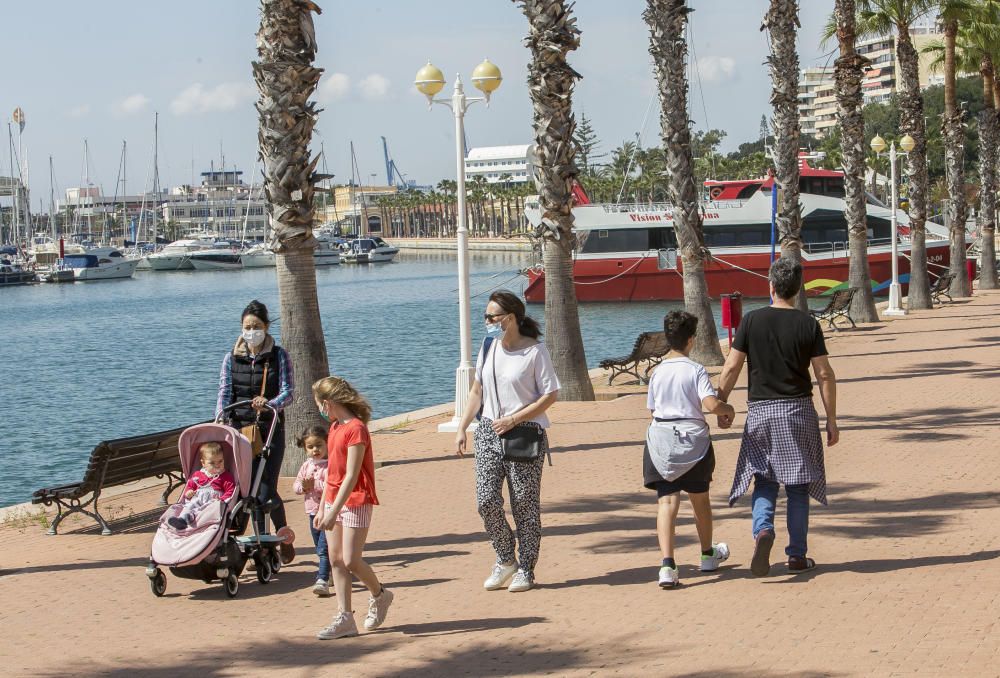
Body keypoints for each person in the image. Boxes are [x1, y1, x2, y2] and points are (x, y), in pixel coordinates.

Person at [717, 257, 839, 576]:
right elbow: (824, 374)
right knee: (798, 486)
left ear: (770, 286)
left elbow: (731, 367)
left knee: (764, 480)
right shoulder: (808, 324)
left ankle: (763, 530)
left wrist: (721, 403)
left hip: (761, 412)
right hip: (798, 410)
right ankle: (797, 555)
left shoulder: (752, 321)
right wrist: (832, 418)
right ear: (797, 290)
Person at [454, 290, 560, 593]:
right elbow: (477, 390)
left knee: (524, 504)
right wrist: (463, 427)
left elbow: (550, 395)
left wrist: (514, 419)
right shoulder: (488, 346)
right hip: (487, 430)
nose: (487, 321)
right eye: (486, 316)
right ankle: (504, 558)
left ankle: (526, 568)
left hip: (524, 432)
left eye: (492, 316)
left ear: (510, 318)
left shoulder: (535, 352)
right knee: (485, 500)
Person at [644, 311, 736, 588]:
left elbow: (652, 408)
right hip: (693, 441)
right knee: (700, 501)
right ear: (691, 340)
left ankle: (667, 566)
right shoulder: (695, 369)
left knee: (667, 503)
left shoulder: (657, 372)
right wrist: (728, 409)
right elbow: (710, 404)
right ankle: (708, 554)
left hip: (661, 441)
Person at [313, 376, 393, 640]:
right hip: (333, 499)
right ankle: (345, 617)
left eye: (319, 405)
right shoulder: (334, 428)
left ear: (327, 403)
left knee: (351, 560)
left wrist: (334, 509)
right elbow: (331, 474)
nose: (320, 411)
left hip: (356, 499)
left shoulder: (356, 429)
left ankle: (380, 594)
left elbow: (351, 474)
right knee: (335, 559)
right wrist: (324, 507)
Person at [216, 299, 296, 563]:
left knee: (265, 490)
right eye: (247, 327)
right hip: (240, 431)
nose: (251, 331)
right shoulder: (231, 357)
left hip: (269, 428)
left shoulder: (278, 355)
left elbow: (288, 391)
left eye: (257, 326)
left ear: (266, 326)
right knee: (249, 491)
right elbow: (225, 391)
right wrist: (220, 419)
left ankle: (281, 535)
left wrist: (271, 404)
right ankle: (263, 546)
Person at [292, 425, 331, 597]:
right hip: (312, 512)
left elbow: (332, 487)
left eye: (319, 445)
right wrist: (303, 487)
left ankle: (322, 579)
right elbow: (296, 486)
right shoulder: (306, 466)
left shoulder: (329, 466)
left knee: (323, 548)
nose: (315, 450)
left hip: (328, 512)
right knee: (319, 547)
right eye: (311, 446)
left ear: (327, 444)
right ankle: (329, 572)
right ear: (305, 448)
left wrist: (315, 484)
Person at [168, 442, 236, 530]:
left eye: (220, 461)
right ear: (203, 463)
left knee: (204, 510)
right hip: (198, 498)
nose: (217, 465)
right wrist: (188, 492)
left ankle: (189, 518)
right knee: (190, 506)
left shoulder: (226, 476)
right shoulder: (198, 474)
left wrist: (221, 500)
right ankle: (182, 520)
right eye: (212, 463)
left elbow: (230, 491)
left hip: (213, 501)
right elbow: (190, 486)